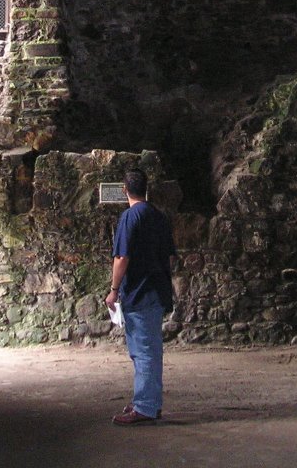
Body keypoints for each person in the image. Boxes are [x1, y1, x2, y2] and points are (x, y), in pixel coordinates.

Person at [105, 169, 177, 425]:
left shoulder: (129, 217)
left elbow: (122, 257)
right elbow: (169, 256)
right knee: (151, 350)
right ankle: (149, 401)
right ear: (146, 188)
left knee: (143, 351)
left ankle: (145, 406)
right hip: (157, 289)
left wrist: (114, 289)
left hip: (139, 291)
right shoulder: (159, 216)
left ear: (125, 190)